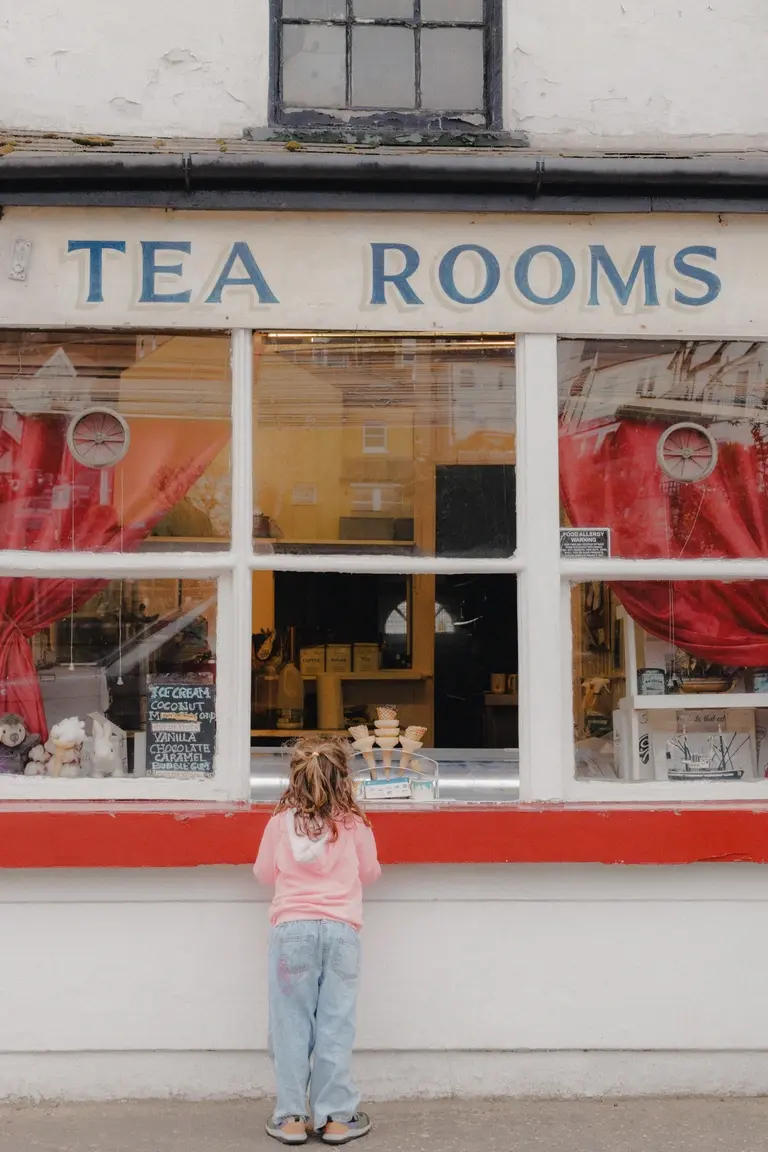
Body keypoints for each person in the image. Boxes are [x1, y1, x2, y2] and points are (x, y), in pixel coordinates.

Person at [254, 735, 381, 1146]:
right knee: (335, 1026)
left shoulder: (278, 823)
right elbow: (370, 874)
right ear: (344, 778)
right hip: (342, 932)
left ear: (295, 778)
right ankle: (337, 1118)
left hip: (292, 931)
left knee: (290, 1025)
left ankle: (291, 1117)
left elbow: (263, 874)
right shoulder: (354, 824)